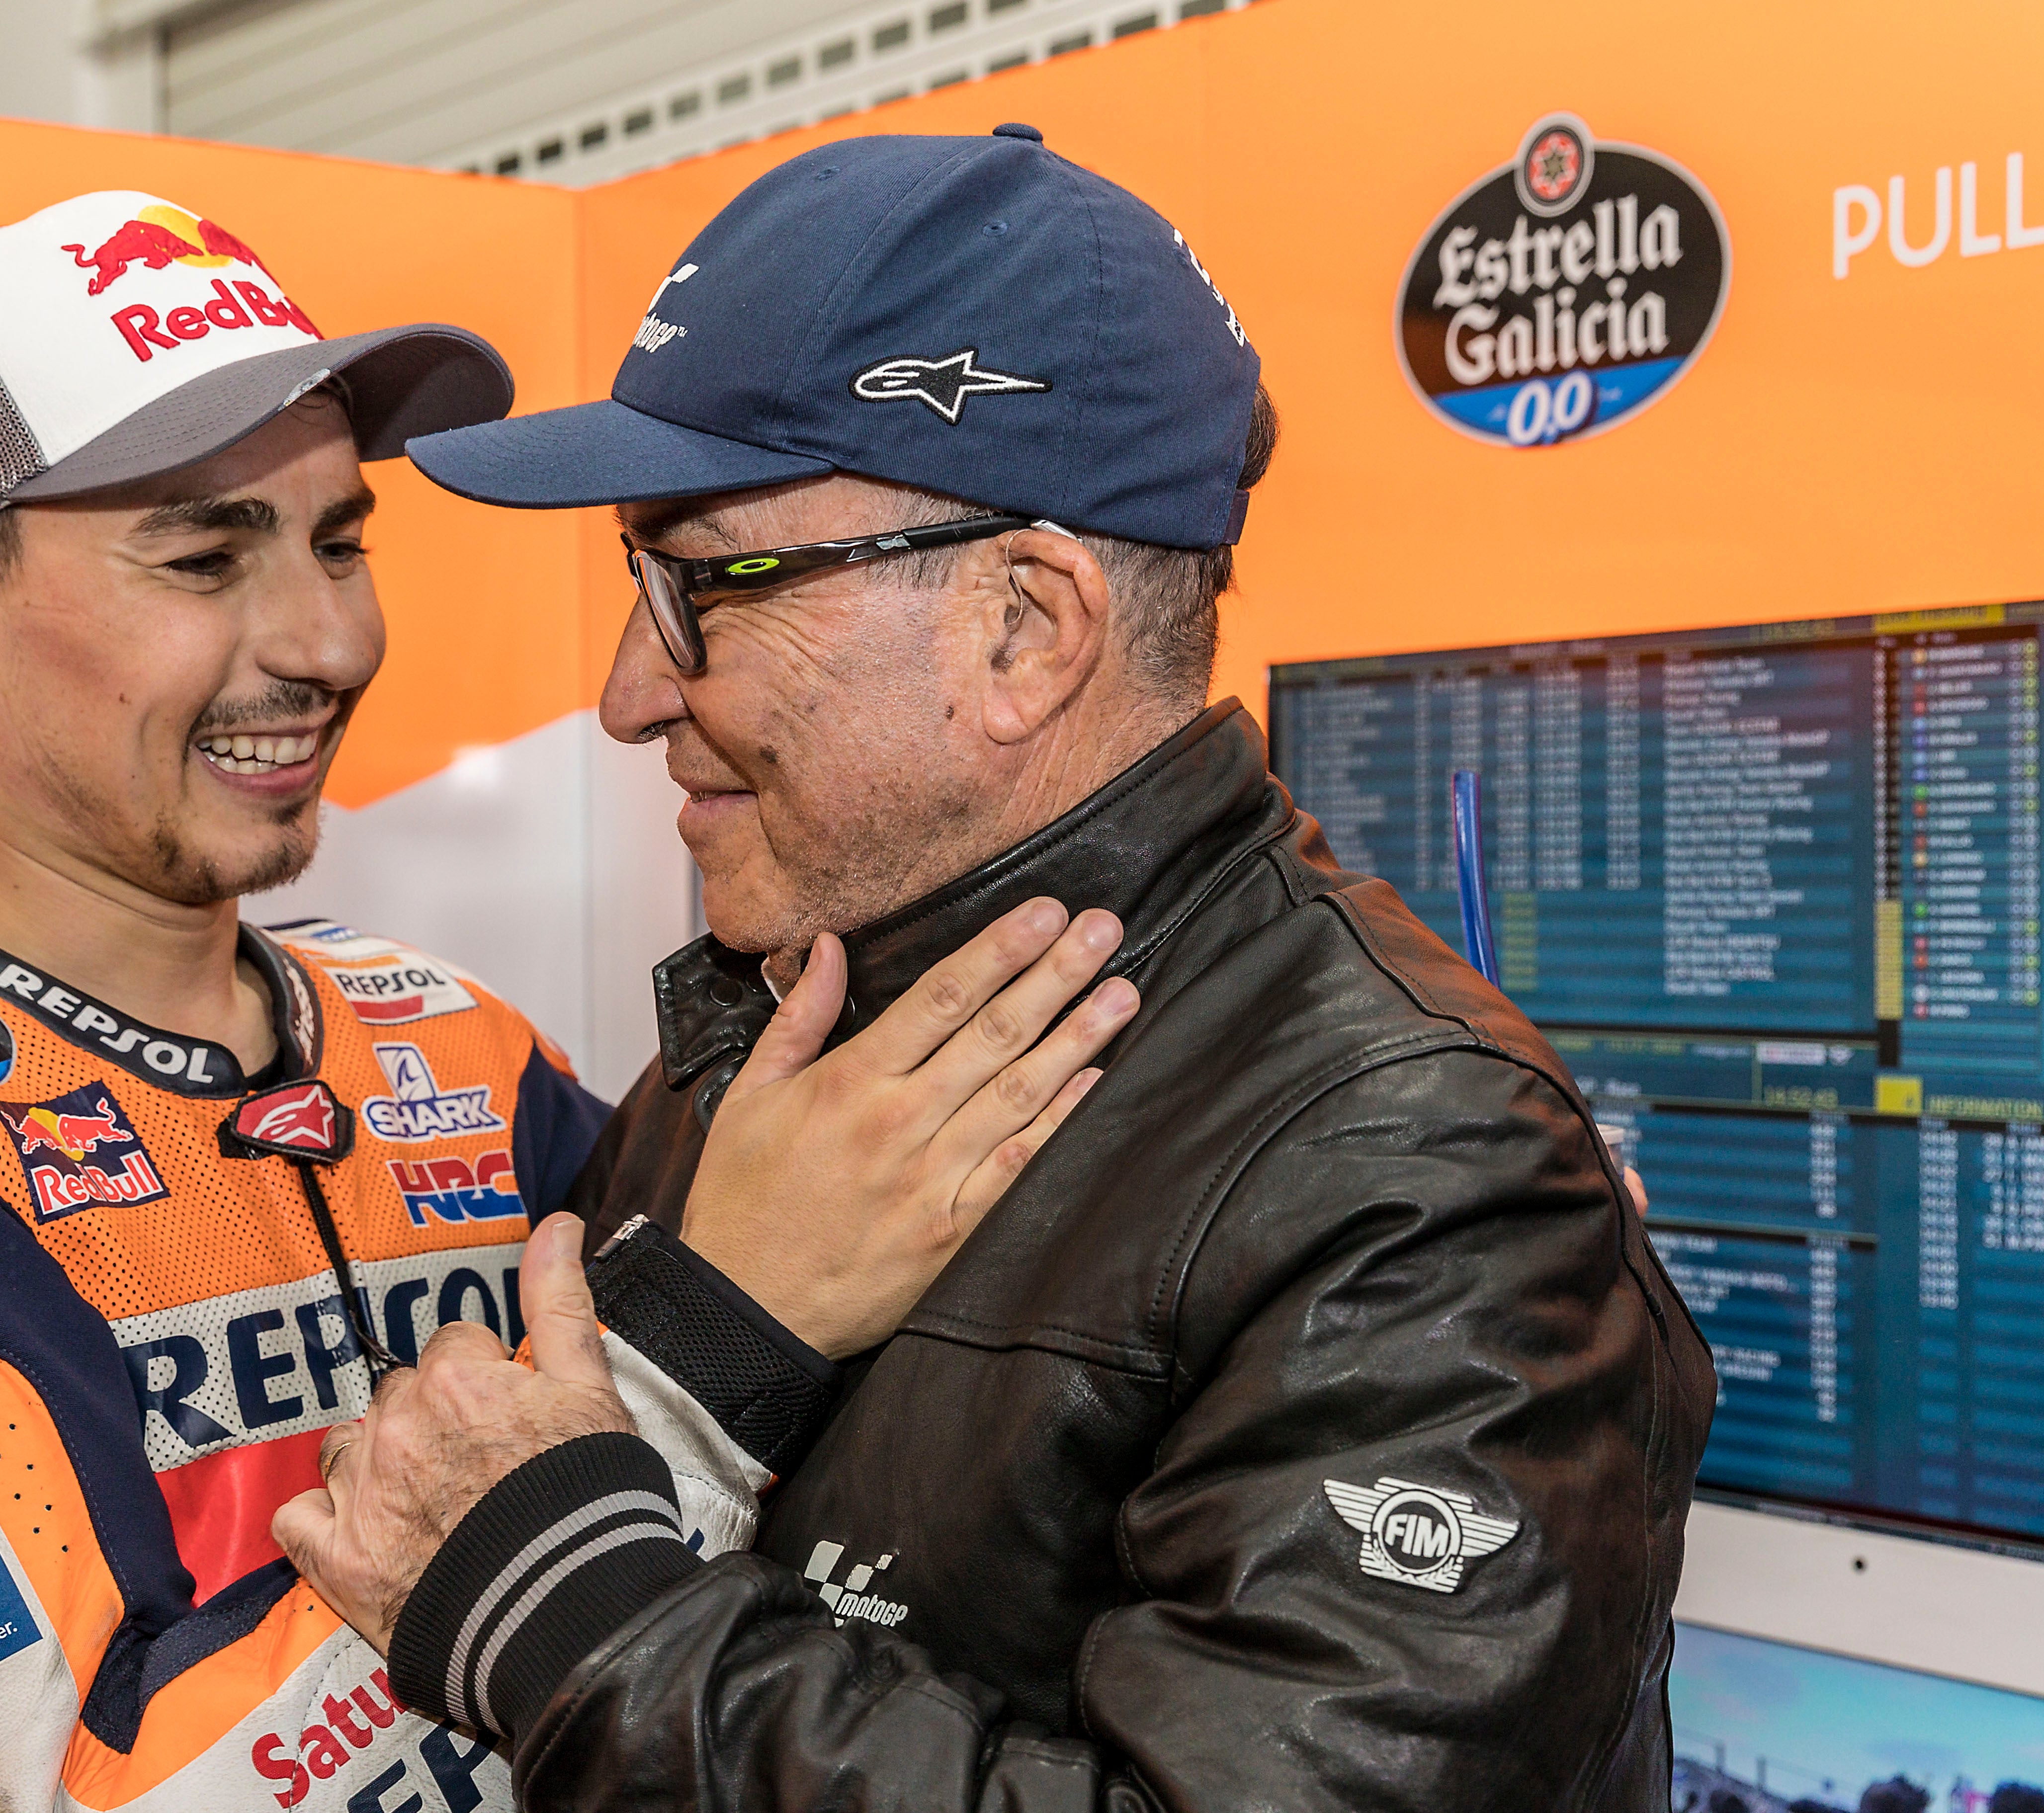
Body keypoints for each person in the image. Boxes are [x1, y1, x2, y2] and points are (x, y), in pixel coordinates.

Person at [0, 191, 1127, 1813]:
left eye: (341, 542)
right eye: (205, 557)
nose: (330, 642)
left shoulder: (452, 1042)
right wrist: (706, 1349)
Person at [273, 125, 1719, 1810]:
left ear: (1027, 627)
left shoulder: (1417, 1169)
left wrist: (583, 1626)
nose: (628, 694)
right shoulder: (775, 1009)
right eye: (635, 584)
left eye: (702, 588)